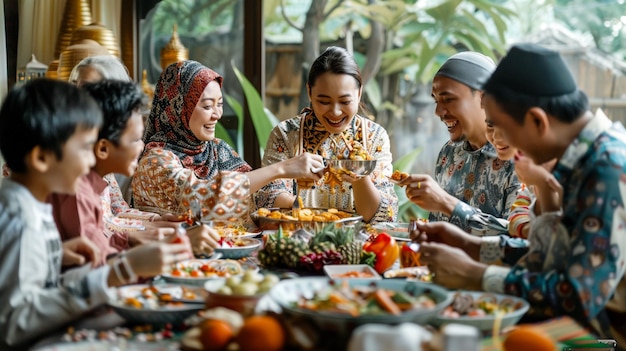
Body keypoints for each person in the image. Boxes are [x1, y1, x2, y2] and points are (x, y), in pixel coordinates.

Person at [414, 43, 626, 341]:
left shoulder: (607, 167)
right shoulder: (587, 159)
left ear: (538, 121)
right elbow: (555, 257)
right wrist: (471, 246)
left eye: (505, 130)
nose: (500, 143)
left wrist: (476, 274)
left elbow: (579, 297)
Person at [0, 79, 193, 349]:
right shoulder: (21, 220)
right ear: (41, 159)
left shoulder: (30, 206)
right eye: (83, 149)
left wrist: (54, 255)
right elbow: (12, 325)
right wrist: (124, 269)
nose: (91, 161)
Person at [132, 60, 323, 226]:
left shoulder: (216, 149)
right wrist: (281, 169)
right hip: (176, 259)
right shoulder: (155, 160)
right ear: (178, 108)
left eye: (220, 104)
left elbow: (255, 191)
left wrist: (298, 205)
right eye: (207, 106)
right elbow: (204, 199)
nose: (217, 114)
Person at [48, 80, 218, 261]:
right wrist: (174, 241)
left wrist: (155, 223)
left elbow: (113, 221)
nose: (142, 146)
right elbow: (96, 263)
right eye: (136, 139)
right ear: (103, 149)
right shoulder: (77, 191)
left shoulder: (97, 179)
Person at [255, 46, 397, 223]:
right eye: (324, 101)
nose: (335, 112)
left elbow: (384, 216)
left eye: (345, 101)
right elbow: (267, 199)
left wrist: (360, 178)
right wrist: (314, 215)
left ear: (359, 93)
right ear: (309, 92)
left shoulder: (374, 136)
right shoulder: (286, 134)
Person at [398, 51, 520, 237]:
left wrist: (447, 204)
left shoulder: (518, 157)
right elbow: (438, 228)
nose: (438, 111)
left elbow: (518, 237)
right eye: (436, 100)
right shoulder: (449, 153)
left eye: (448, 99)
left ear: (484, 98)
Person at [69, 54, 136, 205]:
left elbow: (118, 210)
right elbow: (101, 225)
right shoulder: (69, 148)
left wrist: (156, 220)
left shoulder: (103, 143)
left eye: (88, 90)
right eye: (75, 87)